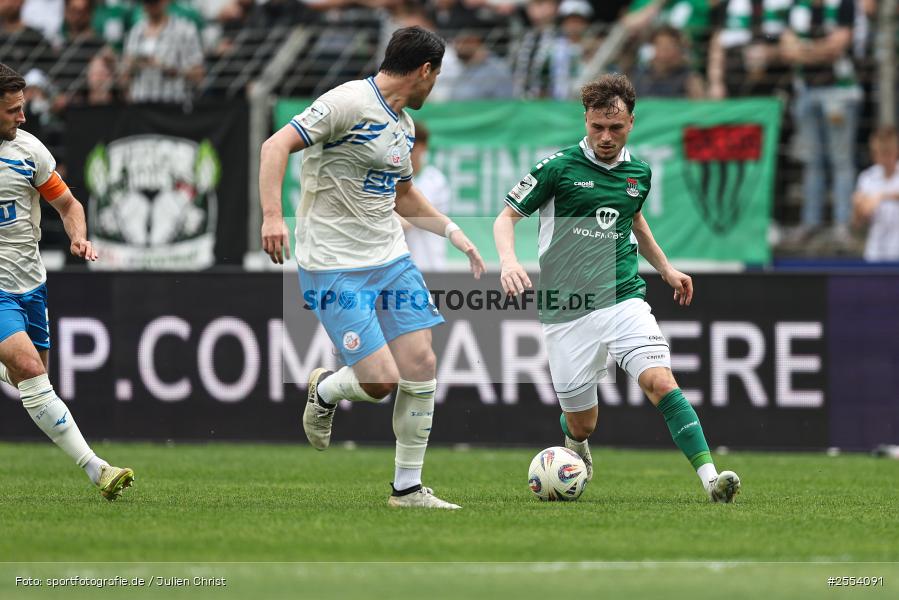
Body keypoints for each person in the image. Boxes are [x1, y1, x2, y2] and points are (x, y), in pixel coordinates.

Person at [258, 27, 485, 510]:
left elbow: (403, 196)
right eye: (436, 76)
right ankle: (325, 389)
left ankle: (407, 489)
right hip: (333, 263)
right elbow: (274, 146)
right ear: (425, 71)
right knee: (380, 382)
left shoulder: (401, 124)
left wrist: (451, 232)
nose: (435, 86)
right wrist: (273, 216)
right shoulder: (346, 103)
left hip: (390, 258)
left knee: (421, 363)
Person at [493, 73, 741, 503]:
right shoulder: (557, 168)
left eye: (616, 128)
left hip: (622, 296)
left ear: (631, 123)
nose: (606, 137)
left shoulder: (638, 172)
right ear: (586, 120)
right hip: (566, 309)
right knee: (582, 422)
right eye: (597, 127)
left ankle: (711, 480)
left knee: (661, 382)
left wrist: (665, 268)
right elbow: (505, 217)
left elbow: (635, 219)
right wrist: (510, 261)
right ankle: (576, 448)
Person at [0, 63, 134, 500]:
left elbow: (69, 204)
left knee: (32, 382)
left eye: (22, 109)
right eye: (12, 111)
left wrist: (79, 237)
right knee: (29, 371)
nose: (22, 118)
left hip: (30, 283)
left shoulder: (29, 152)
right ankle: (98, 469)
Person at [120, 0, 204, 104]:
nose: (150, 6)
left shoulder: (185, 30)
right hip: (140, 103)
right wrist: (131, 65)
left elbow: (199, 75)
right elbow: (124, 75)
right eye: (147, 2)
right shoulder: (135, 32)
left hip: (174, 103)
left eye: (154, 2)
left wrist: (172, 70)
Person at [402, 120, 450, 271]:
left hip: (431, 268)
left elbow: (414, 217)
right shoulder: (393, 181)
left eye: (410, 146)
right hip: (401, 271)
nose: (404, 151)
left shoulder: (435, 181)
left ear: (422, 148)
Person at [853, 126, 899, 262]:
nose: (884, 157)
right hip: (875, 255)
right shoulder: (866, 177)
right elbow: (857, 224)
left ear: (896, 150)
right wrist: (857, 208)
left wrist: (881, 196)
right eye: (879, 152)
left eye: (888, 152)